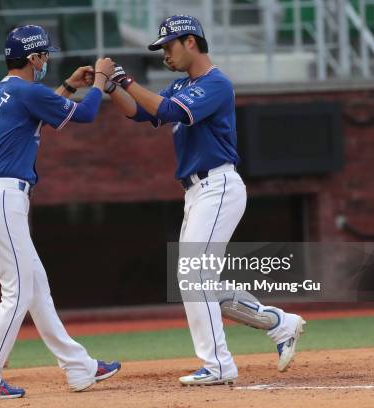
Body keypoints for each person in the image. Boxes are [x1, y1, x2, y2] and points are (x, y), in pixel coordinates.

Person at [105, 15, 306, 385]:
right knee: (201, 281)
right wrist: (110, 87)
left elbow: (168, 112)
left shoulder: (215, 83)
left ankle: (218, 365)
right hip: (197, 192)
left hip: (219, 185)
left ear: (191, 42)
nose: (165, 54)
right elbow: (141, 113)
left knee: (191, 276)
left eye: (169, 46)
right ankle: (279, 323)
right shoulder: (183, 84)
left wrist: (123, 78)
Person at [0, 25, 120, 400]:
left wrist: (68, 86)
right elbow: (83, 117)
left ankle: (78, 367)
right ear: (32, 58)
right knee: (16, 293)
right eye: (43, 55)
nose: (45, 60)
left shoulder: (0, 92)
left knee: (36, 288)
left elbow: (38, 113)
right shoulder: (24, 91)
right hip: (2, 199)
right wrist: (99, 81)